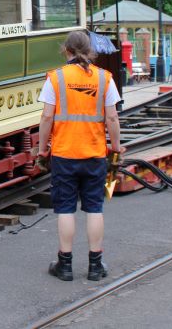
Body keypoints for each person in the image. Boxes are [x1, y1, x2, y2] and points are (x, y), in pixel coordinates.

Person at [37, 30, 123, 282]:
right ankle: (95, 266)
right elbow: (112, 117)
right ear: (89, 51)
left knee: (65, 209)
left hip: (64, 154)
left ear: (67, 50)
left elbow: (46, 117)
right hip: (95, 153)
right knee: (95, 208)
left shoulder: (56, 78)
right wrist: (115, 147)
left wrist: (43, 149)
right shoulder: (104, 78)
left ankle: (65, 266)